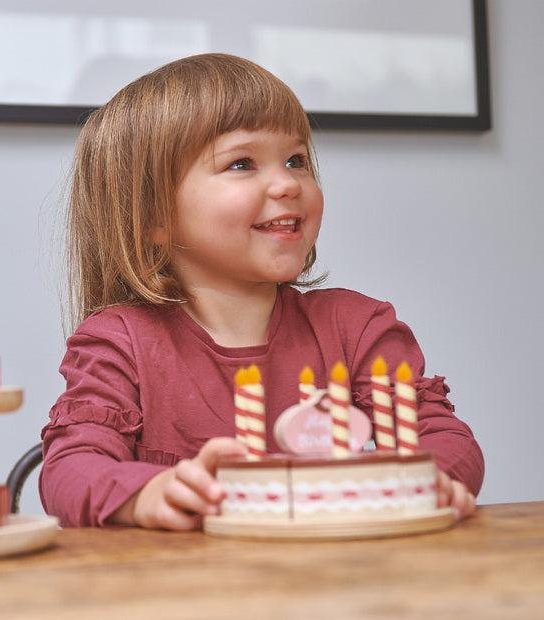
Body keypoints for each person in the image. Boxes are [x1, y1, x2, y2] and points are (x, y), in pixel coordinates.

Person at [39, 53, 483, 530]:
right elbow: (70, 469)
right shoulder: (120, 342)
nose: (287, 182)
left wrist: (429, 478)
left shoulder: (357, 327)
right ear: (153, 217)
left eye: (296, 159)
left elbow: (444, 438)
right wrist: (144, 493)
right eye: (242, 163)